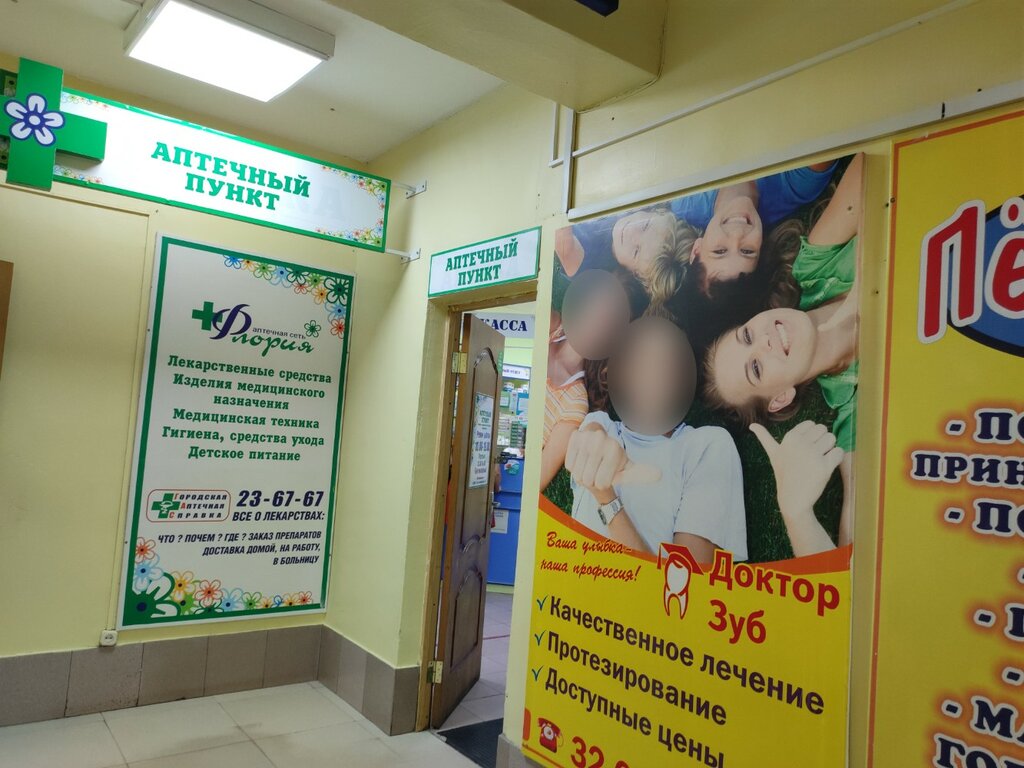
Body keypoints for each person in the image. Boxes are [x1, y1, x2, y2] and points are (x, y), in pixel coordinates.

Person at [701, 154, 863, 556]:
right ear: (780, 398)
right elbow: (851, 568)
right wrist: (796, 513)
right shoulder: (855, 414)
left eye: (746, 334)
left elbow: (876, 164)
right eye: (756, 367)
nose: (764, 339)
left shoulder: (816, 266)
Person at [564, 314, 747, 563]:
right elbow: (591, 434)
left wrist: (606, 499)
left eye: (669, 362)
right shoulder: (600, 425)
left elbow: (688, 581)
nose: (655, 372)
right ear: (613, 374)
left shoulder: (708, 446)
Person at [554, 208, 691, 306]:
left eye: (636, 251)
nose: (631, 231)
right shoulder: (630, 206)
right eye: (645, 226)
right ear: (657, 212)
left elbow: (564, 245)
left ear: (634, 274)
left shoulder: (590, 266)